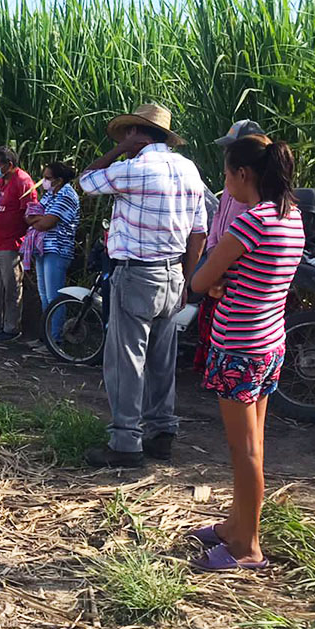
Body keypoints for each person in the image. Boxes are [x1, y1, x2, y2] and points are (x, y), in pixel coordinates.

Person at [188, 135, 305, 571]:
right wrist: (226, 282)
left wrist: (215, 282)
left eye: (226, 174)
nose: (225, 183)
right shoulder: (291, 217)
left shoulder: (251, 222)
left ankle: (246, 547)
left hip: (238, 344)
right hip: (269, 340)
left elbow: (200, 283)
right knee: (254, 444)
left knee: (245, 451)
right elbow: (256, 276)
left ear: (243, 174)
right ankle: (234, 525)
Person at [78, 104, 209, 468]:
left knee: (126, 361)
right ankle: (162, 431)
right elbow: (198, 232)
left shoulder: (133, 168)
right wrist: (187, 276)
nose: (122, 140)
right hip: (173, 275)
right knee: (161, 360)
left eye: (127, 135)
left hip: (137, 273)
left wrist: (120, 150)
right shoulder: (189, 169)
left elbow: (86, 182)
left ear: (139, 135)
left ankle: (124, 443)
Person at [194, 120, 268, 371]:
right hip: (222, 260)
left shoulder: (256, 212)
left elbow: (198, 283)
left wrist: (216, 266)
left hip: (241, 334)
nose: (227, 153)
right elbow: (217, 219)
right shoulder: (233, 188)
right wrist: (214, 251)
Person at [0, 146, 38, 341]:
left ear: (9, 165)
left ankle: (11, 327)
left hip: (11, 245)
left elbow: (31, 212)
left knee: (11, 287)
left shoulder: (23, 181)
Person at [22, 161, 80, 342]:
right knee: (45, 296)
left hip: (57, 249)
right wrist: (40, 218)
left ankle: (55, 340)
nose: (44, 181)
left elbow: (46, 223)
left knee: (55, 297)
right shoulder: (50, 194)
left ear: (59, 180)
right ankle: (46, 337)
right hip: (43, 248)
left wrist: (39, 219)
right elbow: (30, 217)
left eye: (48, 178)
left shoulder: (67, 195)